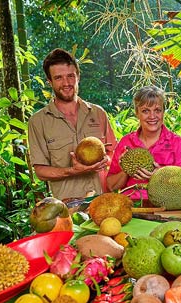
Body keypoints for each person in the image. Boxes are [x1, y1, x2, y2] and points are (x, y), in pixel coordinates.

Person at [28, 48, 117, 200]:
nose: (66, 83)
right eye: (58, 78)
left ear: (78, 77)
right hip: (67, 208)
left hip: (104, 201)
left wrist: (101, 162)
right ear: (49, 81)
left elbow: (113, 152)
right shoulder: (38, 122)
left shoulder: (98, 113)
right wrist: (73, 171)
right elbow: (41, 171)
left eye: (70, 76)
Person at [106, 85, 181, 200]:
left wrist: (160, 175)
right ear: (137, 113)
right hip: (131, 205)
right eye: (145, 111)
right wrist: (127, 168)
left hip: (165, 207)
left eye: (157, 110)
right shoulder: (126, 142)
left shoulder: (178, 144)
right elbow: (111, 186)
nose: (152, 116)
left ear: (163, 112)